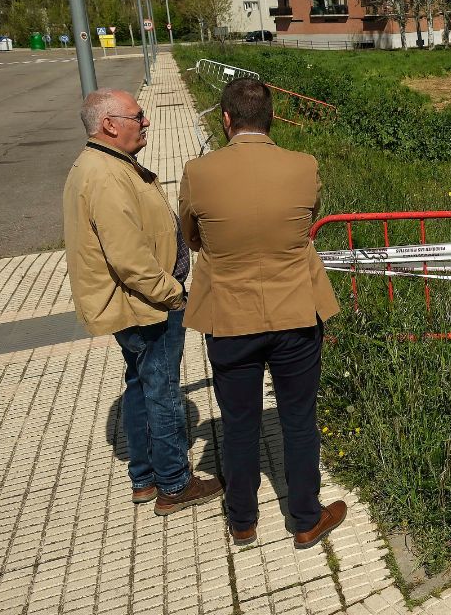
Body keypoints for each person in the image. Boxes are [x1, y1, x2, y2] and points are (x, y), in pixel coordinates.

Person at [178, 78, 345, 549]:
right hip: (296, 309)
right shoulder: (303, 165)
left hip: (228, 316)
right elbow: (310, 218)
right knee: (298, 417)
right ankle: (306, 518)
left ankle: (243, 521)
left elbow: (191, 235)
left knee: (237, 421)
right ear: (270, 119)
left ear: (225, 119)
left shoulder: (198, 171)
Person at [63, 88, 223, 515]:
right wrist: (174, 294)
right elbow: (130, 259)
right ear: (110, 125)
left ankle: (144, 478)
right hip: (146, 305)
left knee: (139, 384)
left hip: (136, 303)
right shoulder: (105, 175)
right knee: (162, 390)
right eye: (138, 116)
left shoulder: (106, 164)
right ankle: (174, 483)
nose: (146, 121)